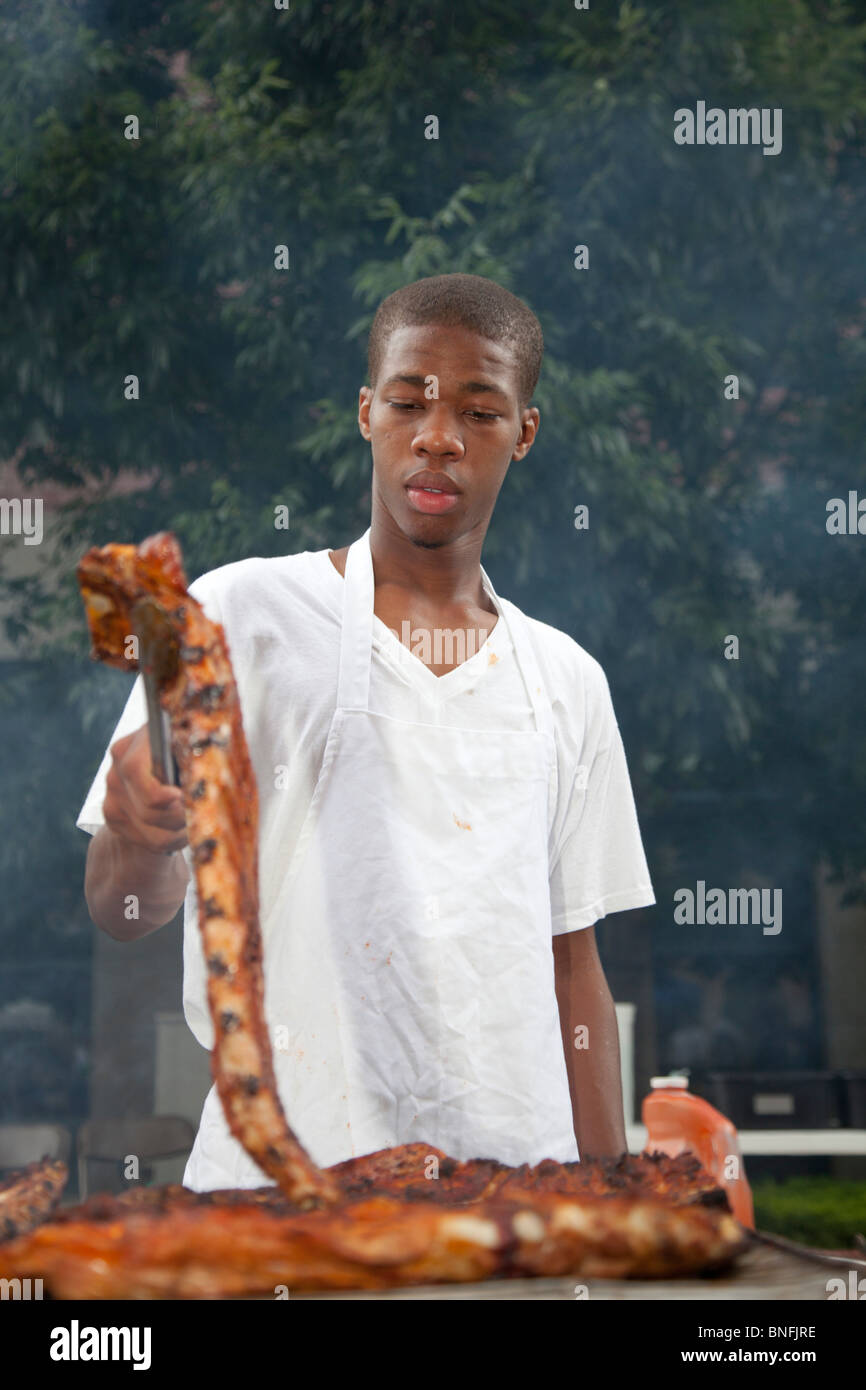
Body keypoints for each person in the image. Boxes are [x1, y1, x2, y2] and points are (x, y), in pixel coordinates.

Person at [77, 273, 655, 1189]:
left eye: (480, 412)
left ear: (524, 432)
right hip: (277, 1198)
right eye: (408, 402)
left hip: (507, 1205)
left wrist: (616, 1195)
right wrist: (135, 833)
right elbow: (122, 912)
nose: (438, 436)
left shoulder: (568, 681)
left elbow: (572, 967)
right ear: (366, 413)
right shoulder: (235, 618)